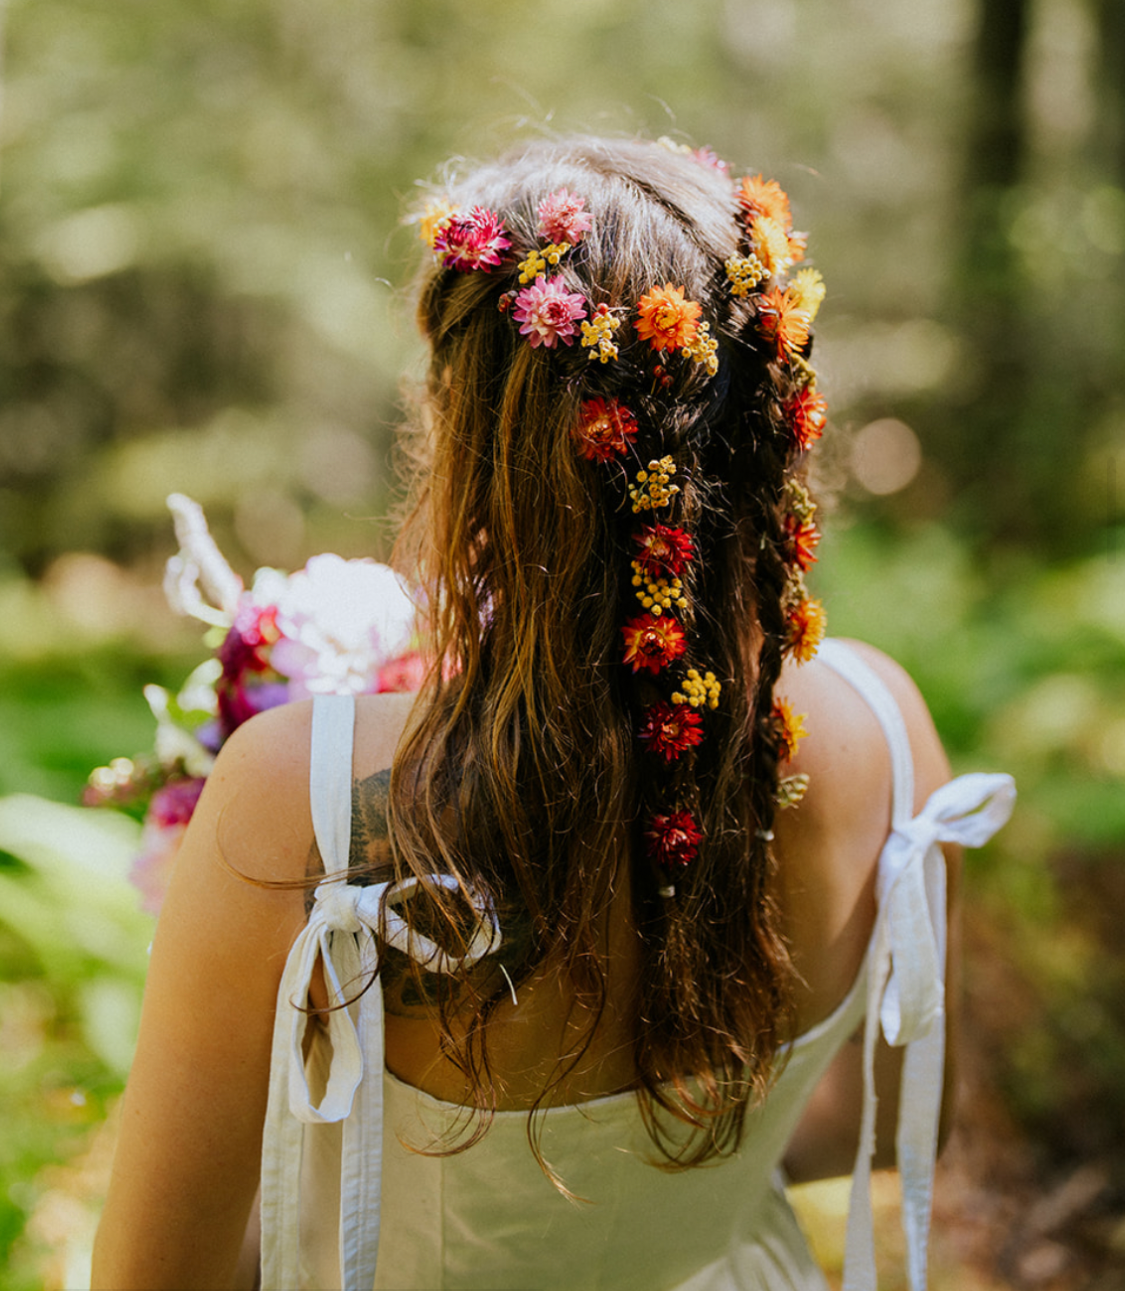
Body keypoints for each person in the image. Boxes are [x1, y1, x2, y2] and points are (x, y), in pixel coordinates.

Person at [91, 136, 1014, 1291]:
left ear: (475, 436)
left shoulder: (309, 796)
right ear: (766, 424)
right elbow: (894, 1127)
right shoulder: (887, 726)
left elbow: (154, 1279)